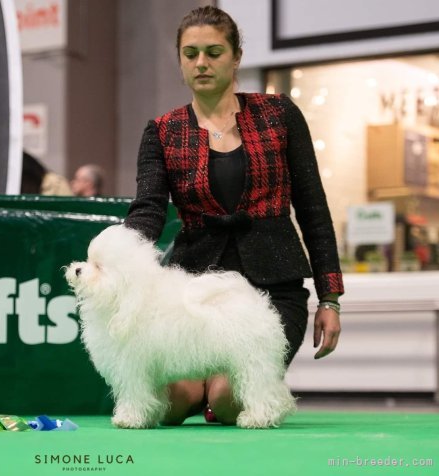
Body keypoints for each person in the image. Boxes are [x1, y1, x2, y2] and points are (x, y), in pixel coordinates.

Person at [123, 6, 344, 426]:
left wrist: (329, 297)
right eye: (190, 54)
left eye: (213, 52)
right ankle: (200, 393)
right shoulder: (163, 131)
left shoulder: (280, 115)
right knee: (167, 403)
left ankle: (223, 396)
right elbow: (147, 211)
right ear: (180, 59)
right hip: (193, 298)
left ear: (236, 56)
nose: (201, 63)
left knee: (228, 396)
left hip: (273, 288)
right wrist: (118, 259)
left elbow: (314, 210)